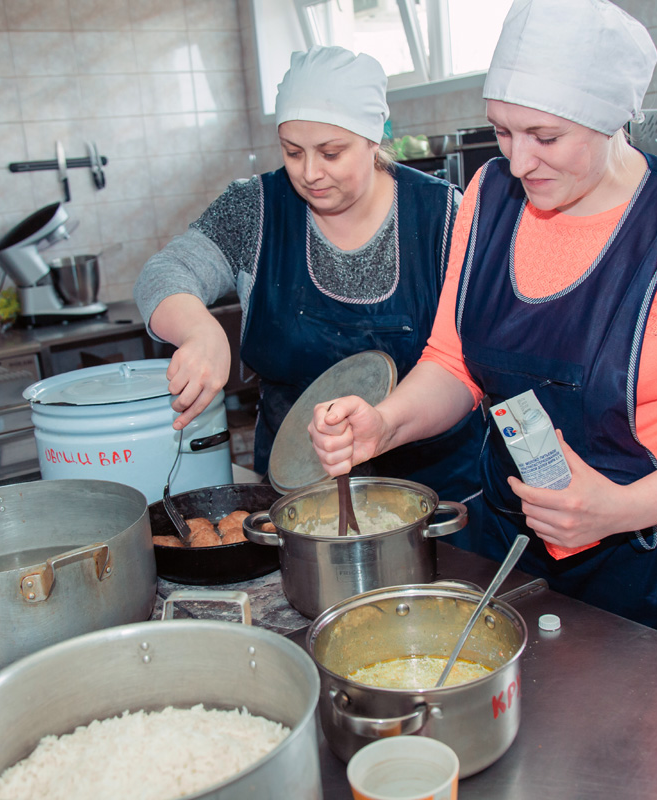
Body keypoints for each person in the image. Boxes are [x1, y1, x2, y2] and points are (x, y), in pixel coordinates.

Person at [308, 0, 657, 654]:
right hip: (512, 544)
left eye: (544, 137)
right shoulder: (489, 198)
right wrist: (386, 422)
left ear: (610, 120)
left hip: (650, 557)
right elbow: (454, 362)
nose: (518, 161)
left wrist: (622, 508)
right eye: (502, 132)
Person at [134, 45, 485, 528]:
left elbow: (474, 359)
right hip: (298, 499)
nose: (309, 172)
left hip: (436, 500)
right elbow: (166, 270)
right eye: (293, 151)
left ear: (373, 138)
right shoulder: (255, 209)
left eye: (332, 152)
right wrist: (199, 330)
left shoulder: (445, 216)